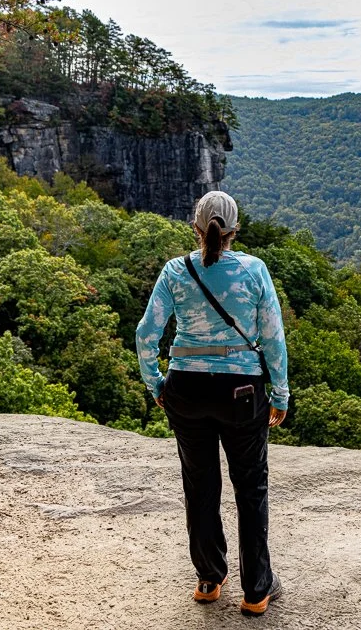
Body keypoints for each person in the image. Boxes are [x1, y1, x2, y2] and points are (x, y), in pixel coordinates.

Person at [135, 190, 290, 617]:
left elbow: (146, 333)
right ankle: (257, 590)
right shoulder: (254, 270)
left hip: (186, 389)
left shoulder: (174, 271)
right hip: (242, 393)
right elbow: (273, 337)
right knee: (250, 488)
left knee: (199, 486)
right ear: (235, 230)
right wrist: (279, 393)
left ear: (196, 229)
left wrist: (157, 385)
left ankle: (208, 578)